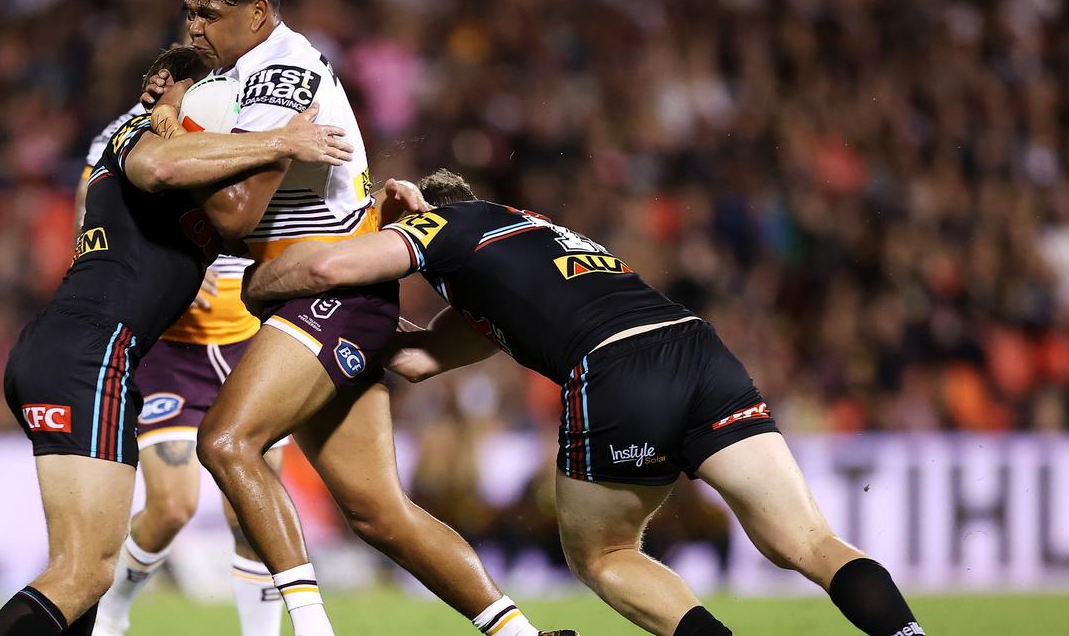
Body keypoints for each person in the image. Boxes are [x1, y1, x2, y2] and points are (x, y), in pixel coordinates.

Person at [243, 168, 928, 636]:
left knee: (602, 556)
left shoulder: (445, 227)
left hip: (618, 368)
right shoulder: (527, 242)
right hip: (696, 347)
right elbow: (419, 359)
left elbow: (331, 267)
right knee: (806, 541)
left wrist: (259, 281)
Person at [152, 0, 573, 636]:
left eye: (208, 13)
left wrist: (167, 148)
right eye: (188, 10)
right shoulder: (239, 75)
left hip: (328, 294)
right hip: (320, 297)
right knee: (381, 513)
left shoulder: (280, 76)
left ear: (257, 13)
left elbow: (237, 214)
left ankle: (312, 630)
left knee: (227, 443)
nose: (193, 26)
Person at [0, 47, 352, 636]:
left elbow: (267, 242)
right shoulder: (136, 136)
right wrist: (282, 141)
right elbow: (158, 167)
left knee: (83, 574)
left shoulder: (208, 177)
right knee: (82, 573)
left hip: (81, 350)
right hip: (93, 352)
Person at [74, 47, 286, 636]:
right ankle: (115, 603)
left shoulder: (248, 127)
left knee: (254, 506)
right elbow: (87, 229)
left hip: (248, 339)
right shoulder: (123, 139)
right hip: (172, 344)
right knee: (172, 505)